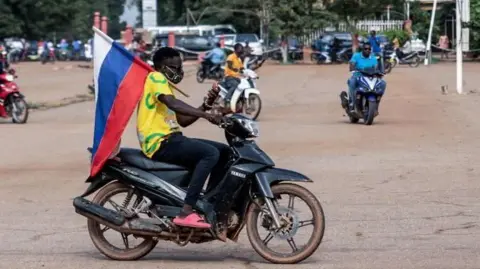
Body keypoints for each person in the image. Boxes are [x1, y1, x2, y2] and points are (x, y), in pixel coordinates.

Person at [137, 47, 231, 231]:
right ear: (161, 67)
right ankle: (186, 211)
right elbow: (173, 104)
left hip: (173, 138)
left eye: (180, 67)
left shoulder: (166, 85)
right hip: (159, 142)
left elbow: (183, 121)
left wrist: (206, 105)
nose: (179, 72)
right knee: (209, 153)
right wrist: (207, 116)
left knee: (225, 151)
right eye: (174, 67)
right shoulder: (155, 78)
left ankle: (208, 202)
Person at [347, 43, 386, 112]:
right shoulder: (356, 56)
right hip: (358, 75)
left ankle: (377, 102)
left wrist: (379, 73)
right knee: (352, 82)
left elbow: (376, 67)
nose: (367, 50)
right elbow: (352, 64)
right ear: (362, 49)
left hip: (370, 76)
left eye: (369, 49)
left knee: (383, 83)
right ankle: (353, 103)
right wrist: (353, 67)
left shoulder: (373, 58)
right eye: (365, 49)